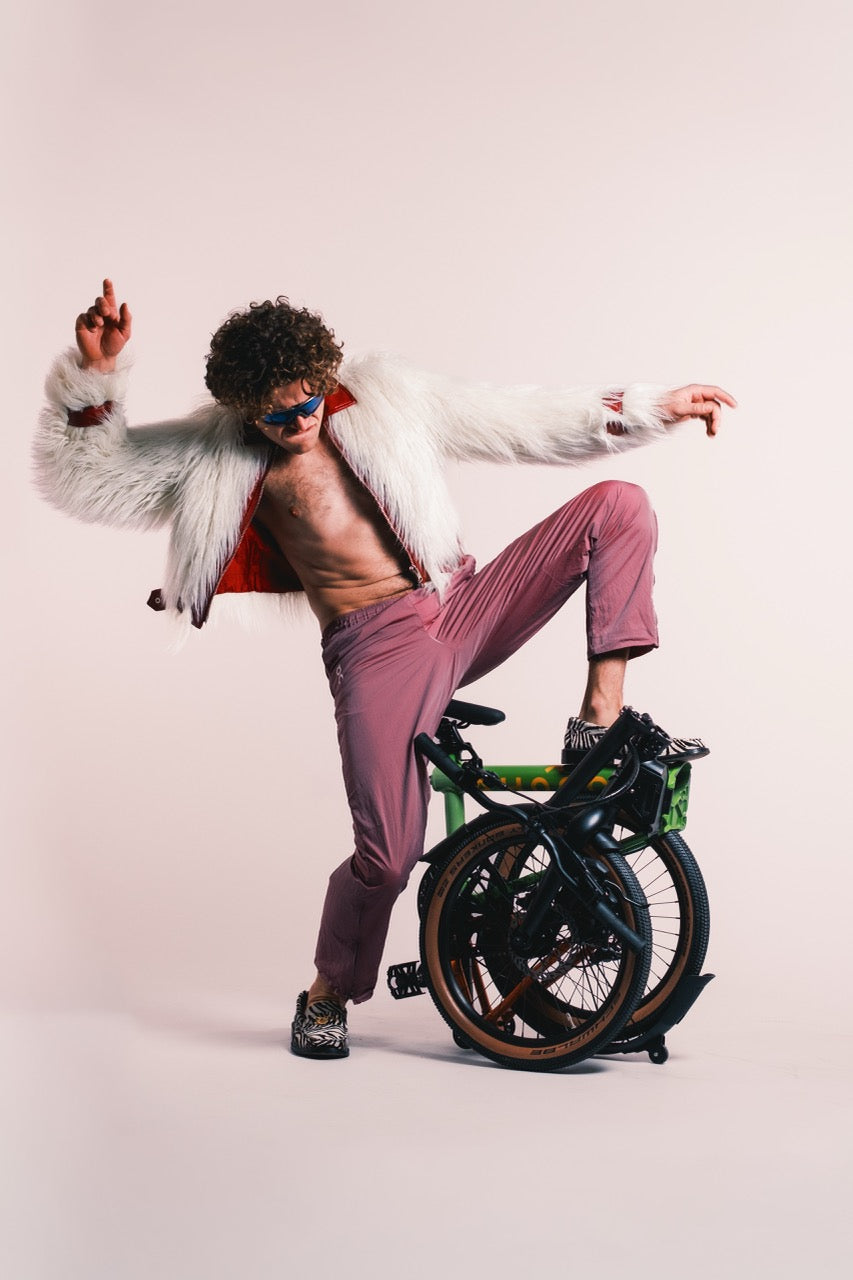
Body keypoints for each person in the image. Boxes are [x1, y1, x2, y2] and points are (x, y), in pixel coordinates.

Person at [35, 278, 736, 1060]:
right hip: (376, 650)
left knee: (619, 505)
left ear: (324, 376)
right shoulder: (217, 452)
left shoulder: (386, 396)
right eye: (276, 415)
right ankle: (327, 994)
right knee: (387, 855)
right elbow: (90, 479)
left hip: (460, 600)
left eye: (308, 402)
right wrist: (95, 374)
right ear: (243, 409)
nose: (298, 421)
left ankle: (596, 721)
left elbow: (524, 419)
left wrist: (655, 406)